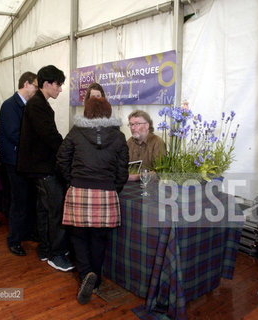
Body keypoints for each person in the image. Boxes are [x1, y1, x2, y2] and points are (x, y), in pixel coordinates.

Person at [57, 96, 129, 304]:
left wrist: (73, 180)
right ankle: (95, 281)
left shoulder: (76, 132)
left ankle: (85, 274)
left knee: (78, 237)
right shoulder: (118, 136)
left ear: (87, 112)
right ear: (108, 112)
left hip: (79, 189)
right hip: (106, 192)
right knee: (99, 239)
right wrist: (112, 188)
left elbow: (62, 159)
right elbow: (122, 170)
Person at [17, 65, 73, 271]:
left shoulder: (38, 103)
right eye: (58, 85)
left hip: (38, 167)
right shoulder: (38, 105)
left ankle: (45, 248)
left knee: (43, 209)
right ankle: (56, 254)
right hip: (43, 167)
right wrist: (68, 150)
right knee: (55, 209)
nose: (59, 90)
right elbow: (50, 136)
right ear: (47, 83)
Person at [0, 72, 39, 256]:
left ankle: (27, 231)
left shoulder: (29, 105)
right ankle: (14, 239)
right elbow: (13, 134)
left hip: (27, 161)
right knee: (18, 201)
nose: (37, 90)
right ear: (26, 84)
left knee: (29, 198)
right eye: (36, 86)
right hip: (15, 161)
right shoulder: (9, 105)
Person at [127, 110, 166, 179]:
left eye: (137, 124)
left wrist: (137, 177)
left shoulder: (157, 142)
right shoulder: (129, 142)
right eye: (131, 124)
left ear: (147, 125)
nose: (132, 128)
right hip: (129, 185)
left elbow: (160, 172)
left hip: (151, 186)